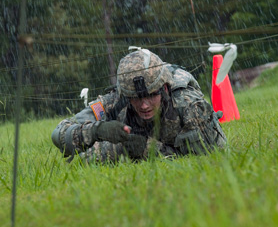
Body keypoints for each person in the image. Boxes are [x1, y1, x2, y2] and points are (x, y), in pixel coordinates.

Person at [51, 47, 226, 163]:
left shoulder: (188, 105)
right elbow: (59, 134)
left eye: (151, 95)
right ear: (126, 95)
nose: (144, 105)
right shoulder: (116, 101)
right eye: (136, 98)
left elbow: (212, 156)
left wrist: (148, 149)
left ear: (164, 88)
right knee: (89, 157)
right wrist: (97, 130)